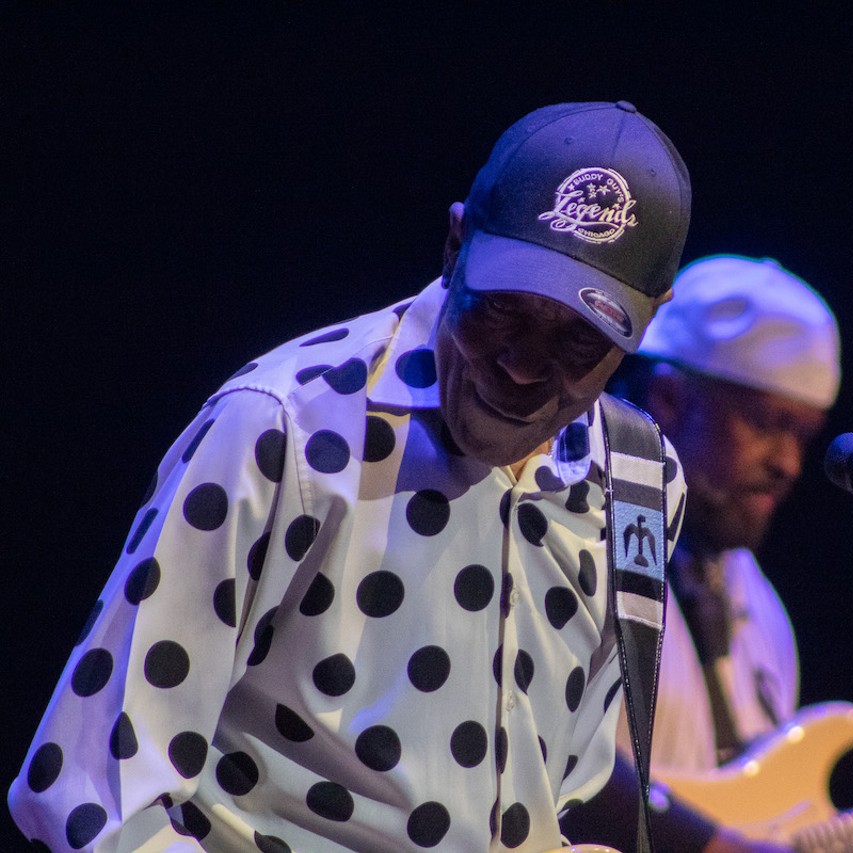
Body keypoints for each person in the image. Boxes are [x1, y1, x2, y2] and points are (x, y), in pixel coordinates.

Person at [9, 101, 691, 853]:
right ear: (454, 246)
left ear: (649, 322)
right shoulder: (282, 428)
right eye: (502, 312)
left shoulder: (641, 484)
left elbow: (545, 795)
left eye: (578, 339)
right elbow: (92, 797)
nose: (524, 365)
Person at [560, 255, 853, 853]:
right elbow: (546, 745)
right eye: (765, 423)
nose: (789, 464)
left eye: (803, 435)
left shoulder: (758, 602)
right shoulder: (571, 536)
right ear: (670, 400)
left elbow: (773, 827)